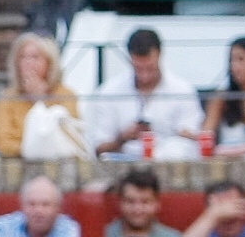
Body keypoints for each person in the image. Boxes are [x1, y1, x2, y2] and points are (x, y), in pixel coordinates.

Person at [87, 26, 204, 159]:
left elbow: (196, 141)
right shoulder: (108, 92)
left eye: (150, 68)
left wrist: (173, 135)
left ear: (160, 54)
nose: (145, 76)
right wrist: (122, 138)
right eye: (138, 68)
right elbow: (99, 149)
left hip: (171, 161)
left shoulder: (183, 90)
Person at [0, 32, 84, 157]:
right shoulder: (8, 97)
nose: (28, 63)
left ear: (50, 62)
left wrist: (40, 100)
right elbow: (4, 144)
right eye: (23, 57)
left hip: (59, 163)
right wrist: (33, 148)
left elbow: (69, 138)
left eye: (35, 57)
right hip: (19, 163)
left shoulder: (66, 94)